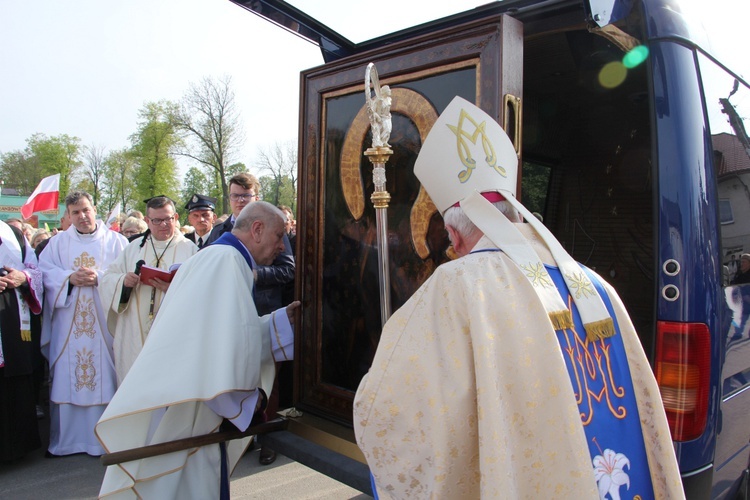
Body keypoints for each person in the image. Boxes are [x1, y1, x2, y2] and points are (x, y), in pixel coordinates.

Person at [353, 97, 684, 498]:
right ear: (514, 217)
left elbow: (395, 420)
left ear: (453, 236)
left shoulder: (456, 288)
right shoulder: (596, 286)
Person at [96, 201, 299, 498]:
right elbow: (231, 343)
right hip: (196, 404)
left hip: (189, 395)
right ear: (257, 230)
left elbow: (225, 333)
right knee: (189, 483)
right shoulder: (227, 261)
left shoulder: (219, 256)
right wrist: (245, 400)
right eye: (278, 236)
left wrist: (279, 322)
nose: (282, 246)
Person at [39, 191, 128, 457]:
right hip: (69, 327)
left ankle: (106, 441)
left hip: (104, 326)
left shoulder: (117, 241)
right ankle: (67, 442)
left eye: (86, 210)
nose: (82, 216)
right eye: (75, 212)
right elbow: (44, 274)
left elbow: (127, 275)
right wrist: (68, 279)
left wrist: (100, 278)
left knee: (106, 374)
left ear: (95, 209)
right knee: (69, 377)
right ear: (67, 215)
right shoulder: (57, 244)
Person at [99, 196, 197, 385]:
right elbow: (107, 279)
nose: (163, 225)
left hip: (172, 333)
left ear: (176, 217)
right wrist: (123, 281)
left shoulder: (190, 250)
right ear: (147, 221)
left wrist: (172, 288)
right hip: (134, 331)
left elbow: (200, 293)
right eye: (157, 220)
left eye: (168, 219)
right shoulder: (134, 248)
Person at [0, 220, 44, 461]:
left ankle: (15, 448)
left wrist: (23, 277)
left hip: (12, 321)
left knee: (14, 381)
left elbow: (36, 272)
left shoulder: (12, 233)